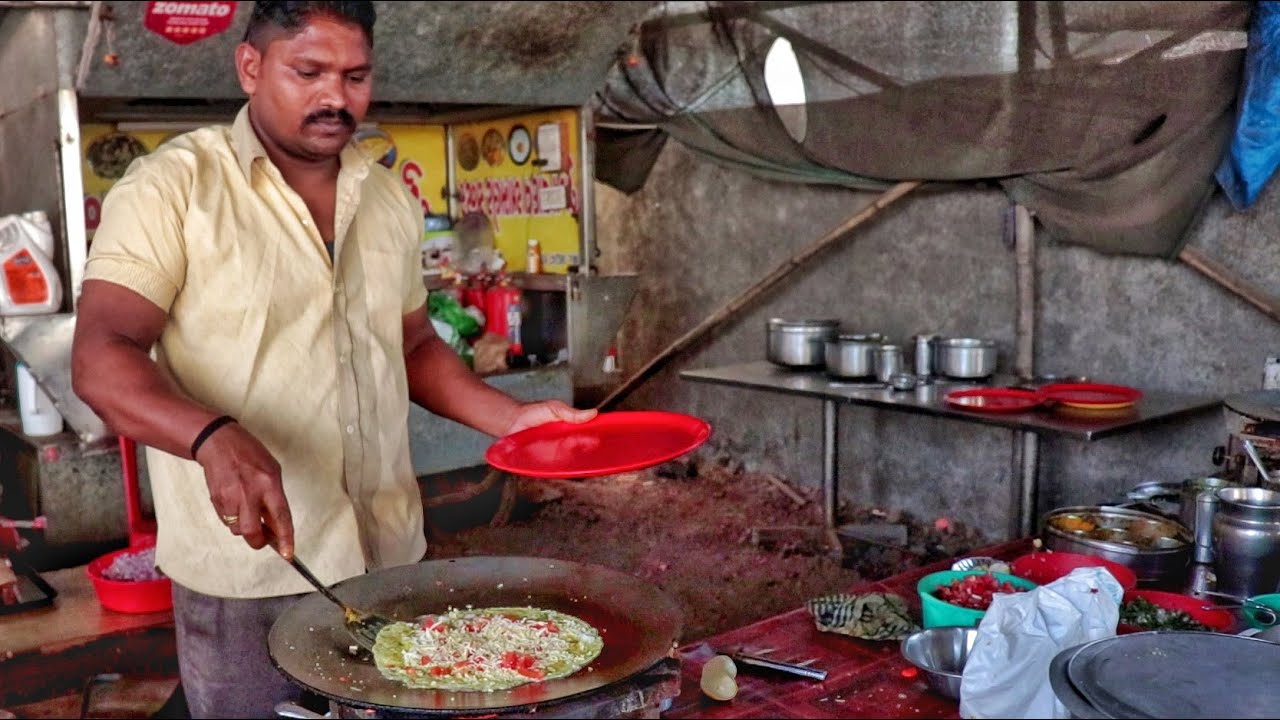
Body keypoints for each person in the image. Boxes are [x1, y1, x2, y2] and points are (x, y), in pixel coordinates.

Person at [69, 2, 595, 717]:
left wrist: (514, 418)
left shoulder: (386, 200)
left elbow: (411, 345)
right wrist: (211, 437)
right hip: (252, 575)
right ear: (250, 68)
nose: (334, 98)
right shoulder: (175, 188)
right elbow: (103, 353)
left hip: (392, 559)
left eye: (355, 76)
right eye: (308, 72)